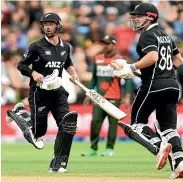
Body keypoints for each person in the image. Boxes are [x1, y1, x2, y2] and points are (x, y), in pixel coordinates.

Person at [112, 3, 183, 179]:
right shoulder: (166, 36)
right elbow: (178, 60)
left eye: (138, 16)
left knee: (137, 124)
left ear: (150, 17)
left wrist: (131, 66)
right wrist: (140, 71)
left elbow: (153, 57)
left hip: (153, 85)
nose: (135, 20)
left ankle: (159, 146)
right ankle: (180, 163)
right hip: (171, 85)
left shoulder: (147, 35)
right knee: (169, 129)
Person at [6, 12, 79, 173]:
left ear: (58, 26)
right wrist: (33, 73)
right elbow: (21, 65)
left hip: (58, 92)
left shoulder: (65, 47)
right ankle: (19, 113)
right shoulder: (36, 46)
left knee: (68, 125)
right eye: (45, 24)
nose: (48, 27)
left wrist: (73, 73)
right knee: (39, 133)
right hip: (39, 92)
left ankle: (58, 163)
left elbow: (68, 63)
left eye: (51, 24)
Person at [81, 35, 133, 156]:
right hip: (99, 97)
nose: (105, 45)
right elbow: (94, 78)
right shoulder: (98, 58)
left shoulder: (119, 60)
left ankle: (109, 148)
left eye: (108, 43)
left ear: (114, 45)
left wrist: (127, 96)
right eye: (103, 43)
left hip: (114, 97)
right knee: (95, 122)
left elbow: (128, 79)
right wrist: (89, 93)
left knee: (112, 125)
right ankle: (93, 148)